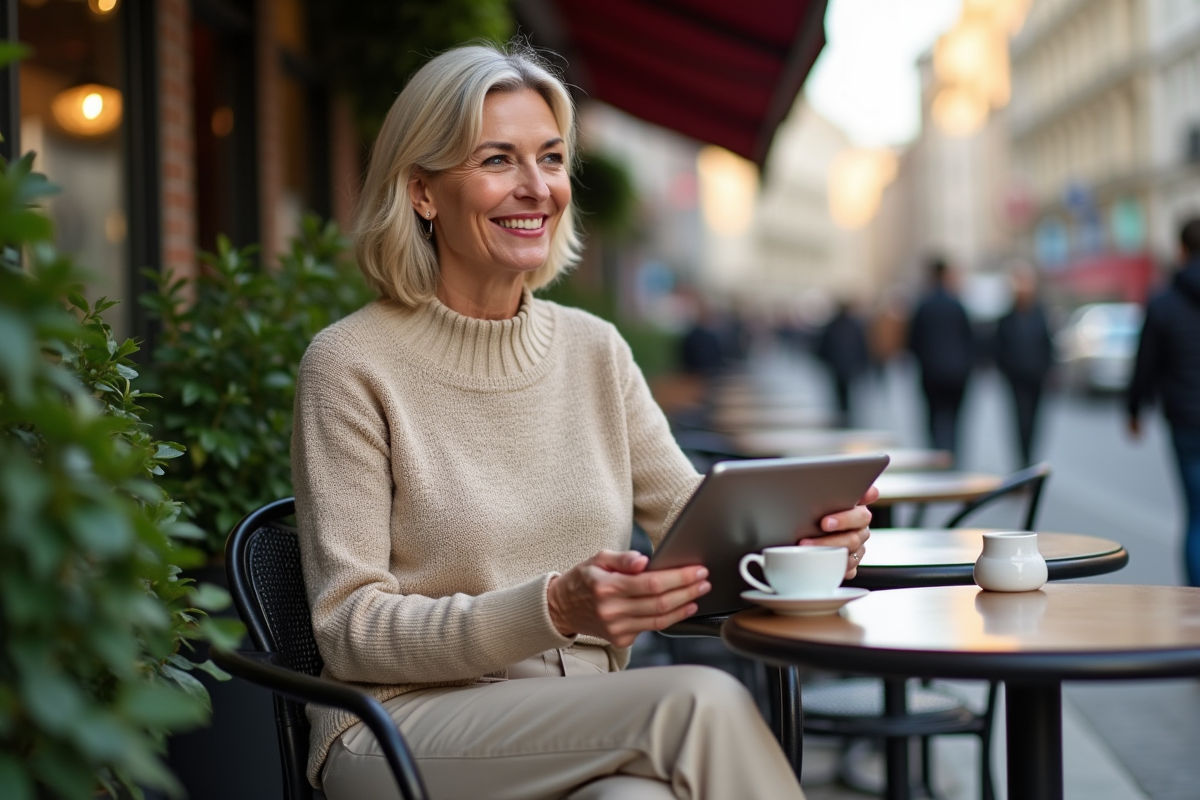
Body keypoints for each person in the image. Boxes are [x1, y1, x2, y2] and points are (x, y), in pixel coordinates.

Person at [291, 42, 876, 800]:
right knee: (698, 702)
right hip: (400, 729)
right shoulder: (348, 364)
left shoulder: (593, 350)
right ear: (422, 192)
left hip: (583, 721)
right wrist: (552, 608)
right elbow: (349, 628)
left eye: (552, 159)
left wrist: (811, 547)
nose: (537, 188)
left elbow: (697, 531)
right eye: (498, 160)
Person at [1127, 218, 1200, 587]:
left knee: (1197, 515)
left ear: (1181, 251)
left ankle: (1195, 604)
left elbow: (1146, 364)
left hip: (1187, 420)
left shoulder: (1163, 302)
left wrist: (1134, 410)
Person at [907, 257, 975, 462]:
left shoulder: (923, 305)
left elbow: (913, 342)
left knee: (933, 417)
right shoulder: (957, 305)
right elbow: (969, 339)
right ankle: (952, 456)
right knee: (955, 420)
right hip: (957, 374)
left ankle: (936, 458)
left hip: (931, 373)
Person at [994, 262, 1055, 467]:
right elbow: (999, 347)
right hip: (1016, 378)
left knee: (1035, 423)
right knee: (1020, 422)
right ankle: (1022, 463)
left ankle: (1029, 461)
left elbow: (1048, 344)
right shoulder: (1007, 317)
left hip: (1036, 378)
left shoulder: (1040, 314)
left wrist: (1050, 370)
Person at [816, 301, 870, 427]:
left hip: (837, 367)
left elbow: (823, 348)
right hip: (849, 366)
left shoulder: (832, 326)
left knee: (839, 392)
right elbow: (862, 346)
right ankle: (846, 414)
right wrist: (863, 363)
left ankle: (843, 413)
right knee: (848, 391)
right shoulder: (854, 326)